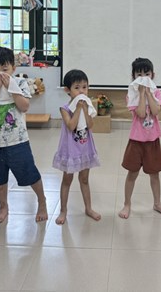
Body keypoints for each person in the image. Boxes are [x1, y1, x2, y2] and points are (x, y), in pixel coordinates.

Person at [0, 47, 47, 224]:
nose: (0, 73)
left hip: (18, 140)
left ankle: (42, 201)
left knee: (29, 173)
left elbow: (24, 106)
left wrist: (11, 87)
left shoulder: (20, 83)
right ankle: (3, 207)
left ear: (13, 69)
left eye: (5, 69)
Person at [118, 57, 161, 219]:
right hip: (136, 141)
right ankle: (127, 204)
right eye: (139, 75)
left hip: (153, 140)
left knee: (154, 174)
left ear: (152, 75)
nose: (143, 78)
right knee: (132, 173)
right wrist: (141, 93)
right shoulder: (132, 94)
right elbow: (141, 114)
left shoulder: (156, 92)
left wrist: (149, 93)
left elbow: (155, 111)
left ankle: (157, 203)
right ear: (133, 76)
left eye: (146, 74)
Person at [53, 69, 101, 224]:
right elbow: (71, 126)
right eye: (77, 87)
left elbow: (90, 125)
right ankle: (63, 211)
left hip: (85, 148)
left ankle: (88, 208)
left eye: (84, 87)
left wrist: (85, 109)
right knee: (67, 180)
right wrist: (79, 108)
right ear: (67, 90)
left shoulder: (88, 105)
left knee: (84, 179)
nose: (81, 91)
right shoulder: (65, 109)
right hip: (70, 150)